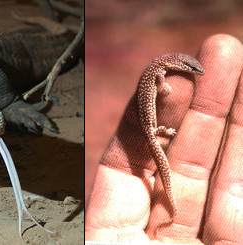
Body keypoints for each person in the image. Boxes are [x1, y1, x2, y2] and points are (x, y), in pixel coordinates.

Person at [85, 34, 243, 244]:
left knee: (156, 138)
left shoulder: (160, 66)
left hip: (152, 127)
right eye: (193, 69)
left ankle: (172, 205)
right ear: (178, 63)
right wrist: (163, 88)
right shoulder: (159, 71)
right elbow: (160, 82)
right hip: (151, 126)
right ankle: (172, 206)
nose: (196, 73)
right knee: (155, 135)